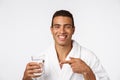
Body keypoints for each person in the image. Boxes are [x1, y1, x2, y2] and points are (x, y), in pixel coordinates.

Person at [22, 10, 110, 80]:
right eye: (57, 26)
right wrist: (26, 78)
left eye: (67, 26)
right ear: (51, 30)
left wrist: (87, 72)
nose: (62, 31)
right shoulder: (40, 59)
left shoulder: (88, 57)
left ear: (73, 30)